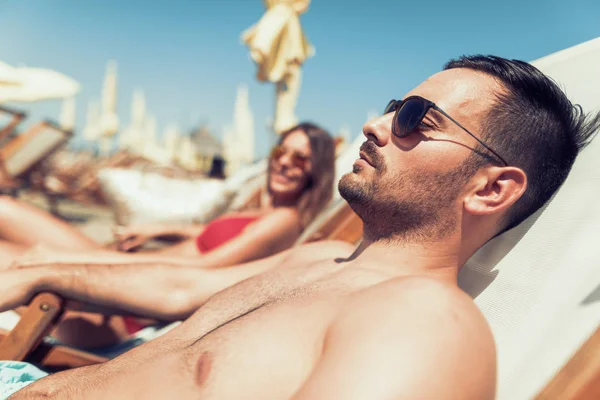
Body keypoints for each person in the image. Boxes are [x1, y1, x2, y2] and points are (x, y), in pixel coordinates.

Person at [2, 55, 598, 399]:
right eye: (395, 105)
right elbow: (178, 289)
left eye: (418, 118)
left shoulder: (424, 324)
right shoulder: (318, 260)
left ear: (491, 188)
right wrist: (36, 271)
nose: (376, 123)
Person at [0, 122, 335, 347]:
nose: (285, 163)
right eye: (281, 152)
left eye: (301, 158)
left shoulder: (284, 220)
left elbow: (203, 269)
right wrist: (163, 228)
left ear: (315, 172)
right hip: (133, 270)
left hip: (126, 302)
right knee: (7, 210)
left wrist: (66, 260)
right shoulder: (262, 210)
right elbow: (209, 236)